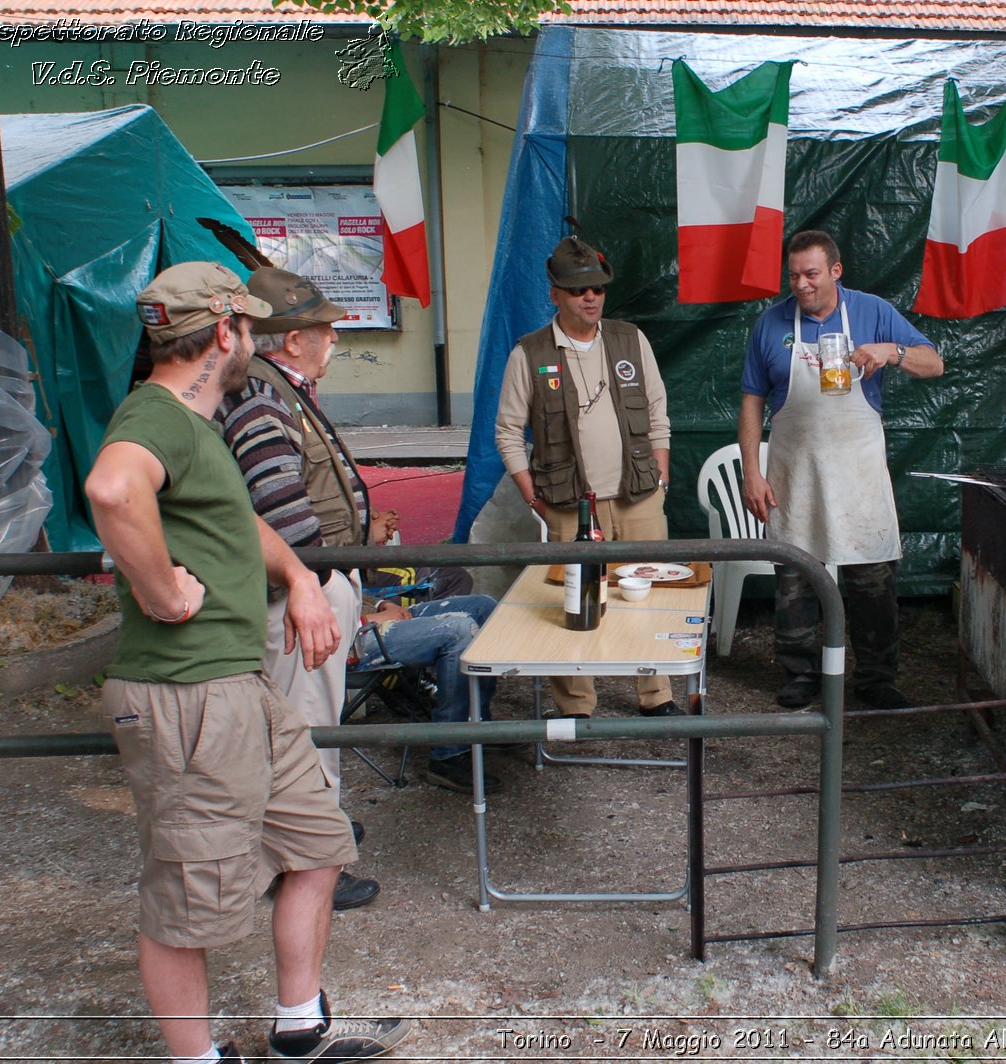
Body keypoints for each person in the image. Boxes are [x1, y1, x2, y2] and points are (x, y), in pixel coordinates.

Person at [85, 262, 409, 1062]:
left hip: (239, 687)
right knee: (186, 899)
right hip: (186, 693)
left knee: (319, 846)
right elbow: (112, 488)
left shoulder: (201, 421)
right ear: (225, 333)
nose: (255, 342)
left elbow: (240, 522)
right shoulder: (155, 417)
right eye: (251, 328)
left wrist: (299, 576)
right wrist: (161, 591)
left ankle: (300, 1027)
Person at [218, 267, 502, 801]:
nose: (336, 337)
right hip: (310, 605)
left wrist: (360, 548)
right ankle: (316, 845)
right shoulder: (263, 398)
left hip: (326, 595)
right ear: (296, 340)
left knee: (481, 605)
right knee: (307, 730)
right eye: (327, 329)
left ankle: (475, 735)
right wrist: (355, 601)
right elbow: (283, 521)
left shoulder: (284, 390)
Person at [738, 229, 943, 711]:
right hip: (794, 472)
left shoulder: (872, 311)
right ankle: (802, 674)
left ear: (835, 270)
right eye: (793, 276)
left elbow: (934, 363)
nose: (802, 285)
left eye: (812, 274)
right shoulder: (770, 324)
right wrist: (752, 470)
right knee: (795, 580)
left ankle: (875, 677)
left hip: (858, 473)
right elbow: (752, 400)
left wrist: (891, 352)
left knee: (873, 582)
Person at [495, 234, 682, 719]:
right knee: (568, 605)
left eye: (597, 288)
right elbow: (508, 433)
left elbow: (659, 410)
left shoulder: (630, 339)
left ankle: (656, 695)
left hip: (639, 496)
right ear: (555, 293)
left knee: (650, 596)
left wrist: (659, 472)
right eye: (579, 290)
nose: (591, 297)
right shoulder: (529, 354)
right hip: (569, 503)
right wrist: (532, 496)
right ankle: (576, 705)